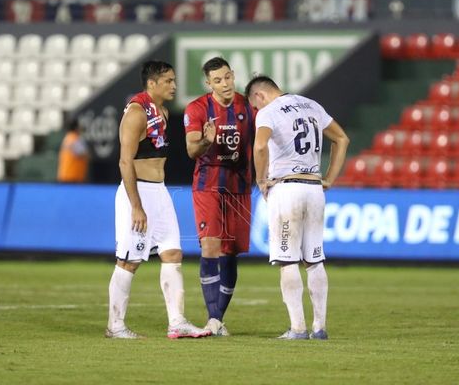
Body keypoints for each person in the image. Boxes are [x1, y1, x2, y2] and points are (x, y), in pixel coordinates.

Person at [106, 60, 211, 339]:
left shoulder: (161, 111)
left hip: (159, 192)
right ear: (151, 83)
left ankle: (177, 322)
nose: (174, 85)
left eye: (174, 80)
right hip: (137, 193)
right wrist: (136, 206)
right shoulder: (137, 113)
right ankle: (115, 326)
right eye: (168, 81)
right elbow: (125, 162)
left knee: (173, 253)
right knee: (129, 260)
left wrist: (207, 142)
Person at [246, 75, 349, 340]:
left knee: (288, 259)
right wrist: (330, 178)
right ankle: (320, 327)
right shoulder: (310, 105)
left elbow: (260, 147)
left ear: (258, 96)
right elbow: (342, 139)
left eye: (254, 106)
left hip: (286, 188)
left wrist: (260, 180)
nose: (256, 110)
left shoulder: (267, 112)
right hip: (314, 188)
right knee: (314, 259)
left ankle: (298, 328)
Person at [183, 57, 256, 336]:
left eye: (227, 77)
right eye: (217, 80)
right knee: (210, 247)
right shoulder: (198, 108)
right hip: (208, 185)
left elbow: (261, 141)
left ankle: (217, 319)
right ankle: (213, 318)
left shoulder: (248, 106)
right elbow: (191, 150)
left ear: (233, 75)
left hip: (239, 186)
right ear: (208, 83)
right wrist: (206, 141)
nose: (224, 84)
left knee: (231, 252)